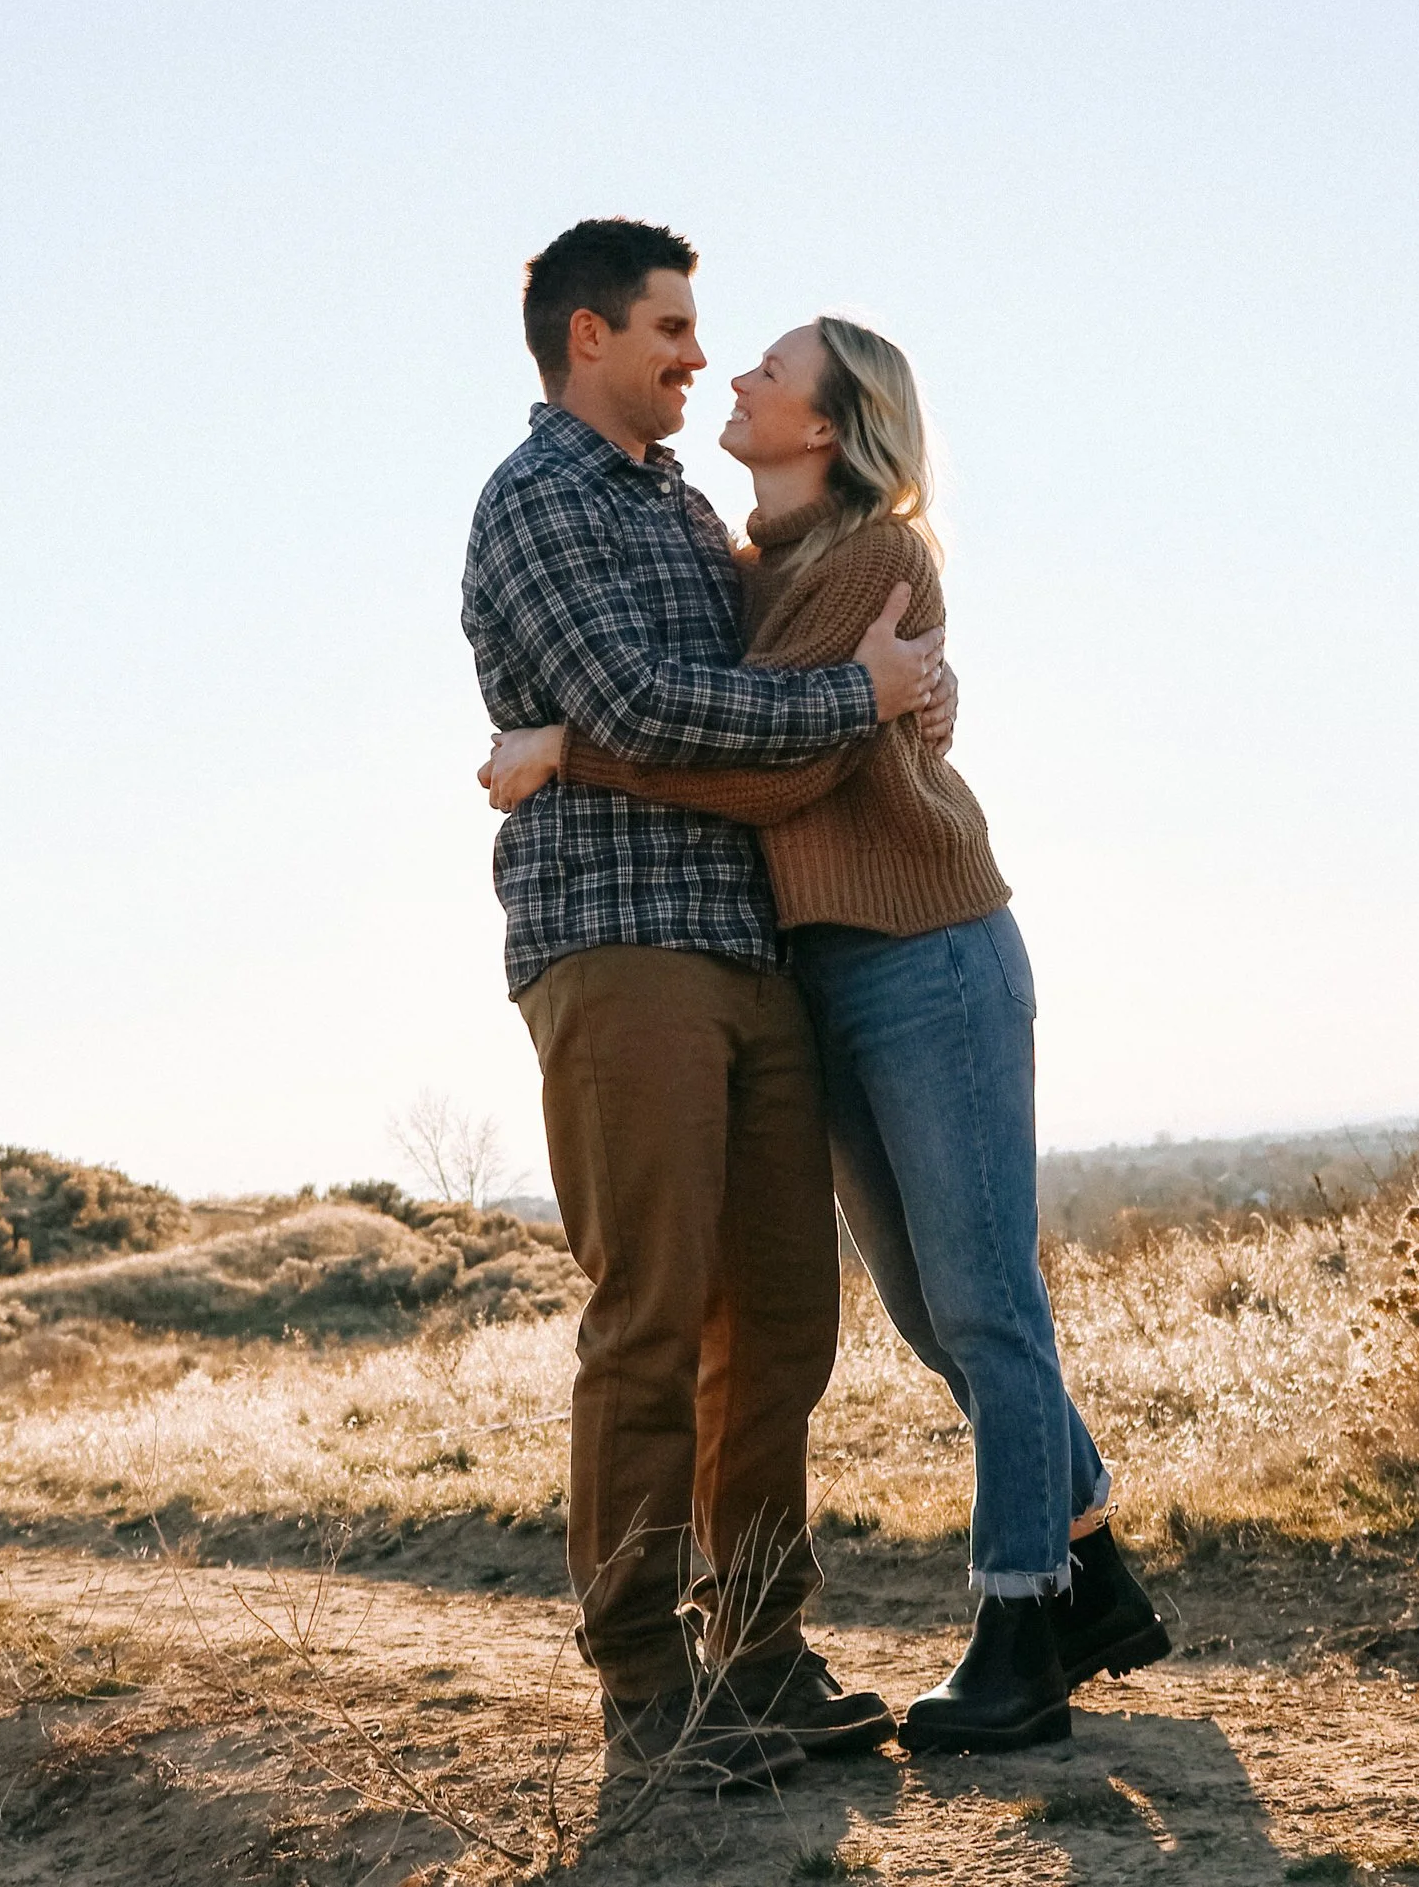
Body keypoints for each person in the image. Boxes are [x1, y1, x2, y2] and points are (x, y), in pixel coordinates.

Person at [485, 313, 1171, 1754]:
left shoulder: (871, 554)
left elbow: (774, 769)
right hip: (823, 976)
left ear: (835, 426)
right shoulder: (749, 564)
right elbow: (751, 716)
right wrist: (866, 704)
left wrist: (566, 755)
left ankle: (1020, 1628)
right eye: (706, 343)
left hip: (928, 953)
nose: (730, 371)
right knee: (940, 1316)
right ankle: (1095, 1568)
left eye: (768, 368)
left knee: (983, 1306)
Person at [460, 221, 953, 1796]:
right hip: (618, 945)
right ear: (588, 335)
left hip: (749, 948)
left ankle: (757, 1645)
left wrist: (908, 692)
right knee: (655, 1313)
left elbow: (759, 698)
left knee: (785, 1317)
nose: (696, 354)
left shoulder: (684, 511)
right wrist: (856, 701)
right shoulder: (538, 501)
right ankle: (648, 1685)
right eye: (673, 328)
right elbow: (649, 708)